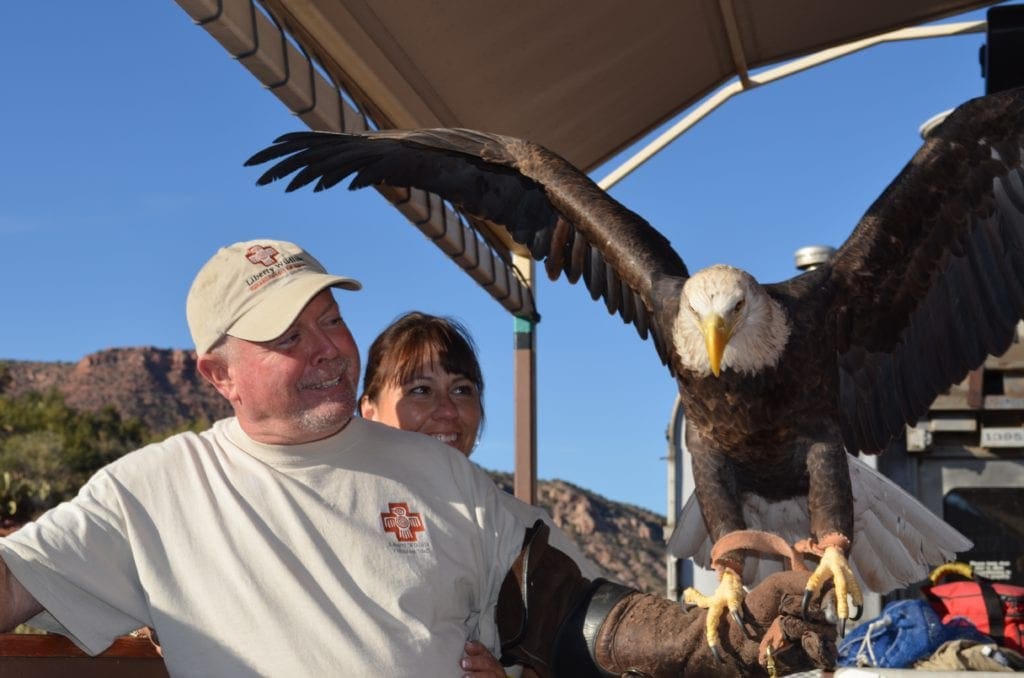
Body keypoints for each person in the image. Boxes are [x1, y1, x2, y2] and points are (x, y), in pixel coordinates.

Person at [0, 239, 838, 677]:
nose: (328, 348)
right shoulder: (150, 493)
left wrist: (708, 644)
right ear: (218, 374)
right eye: (289, 337)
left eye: (330, 319)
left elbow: (560, 612)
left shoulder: (438, 474)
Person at [359, 311, 607, 677]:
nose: (446, 410)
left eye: (462, 390)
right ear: (369, 410)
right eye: (420, 391)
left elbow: (589, 649)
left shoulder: (525, 529)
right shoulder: (332, 504)